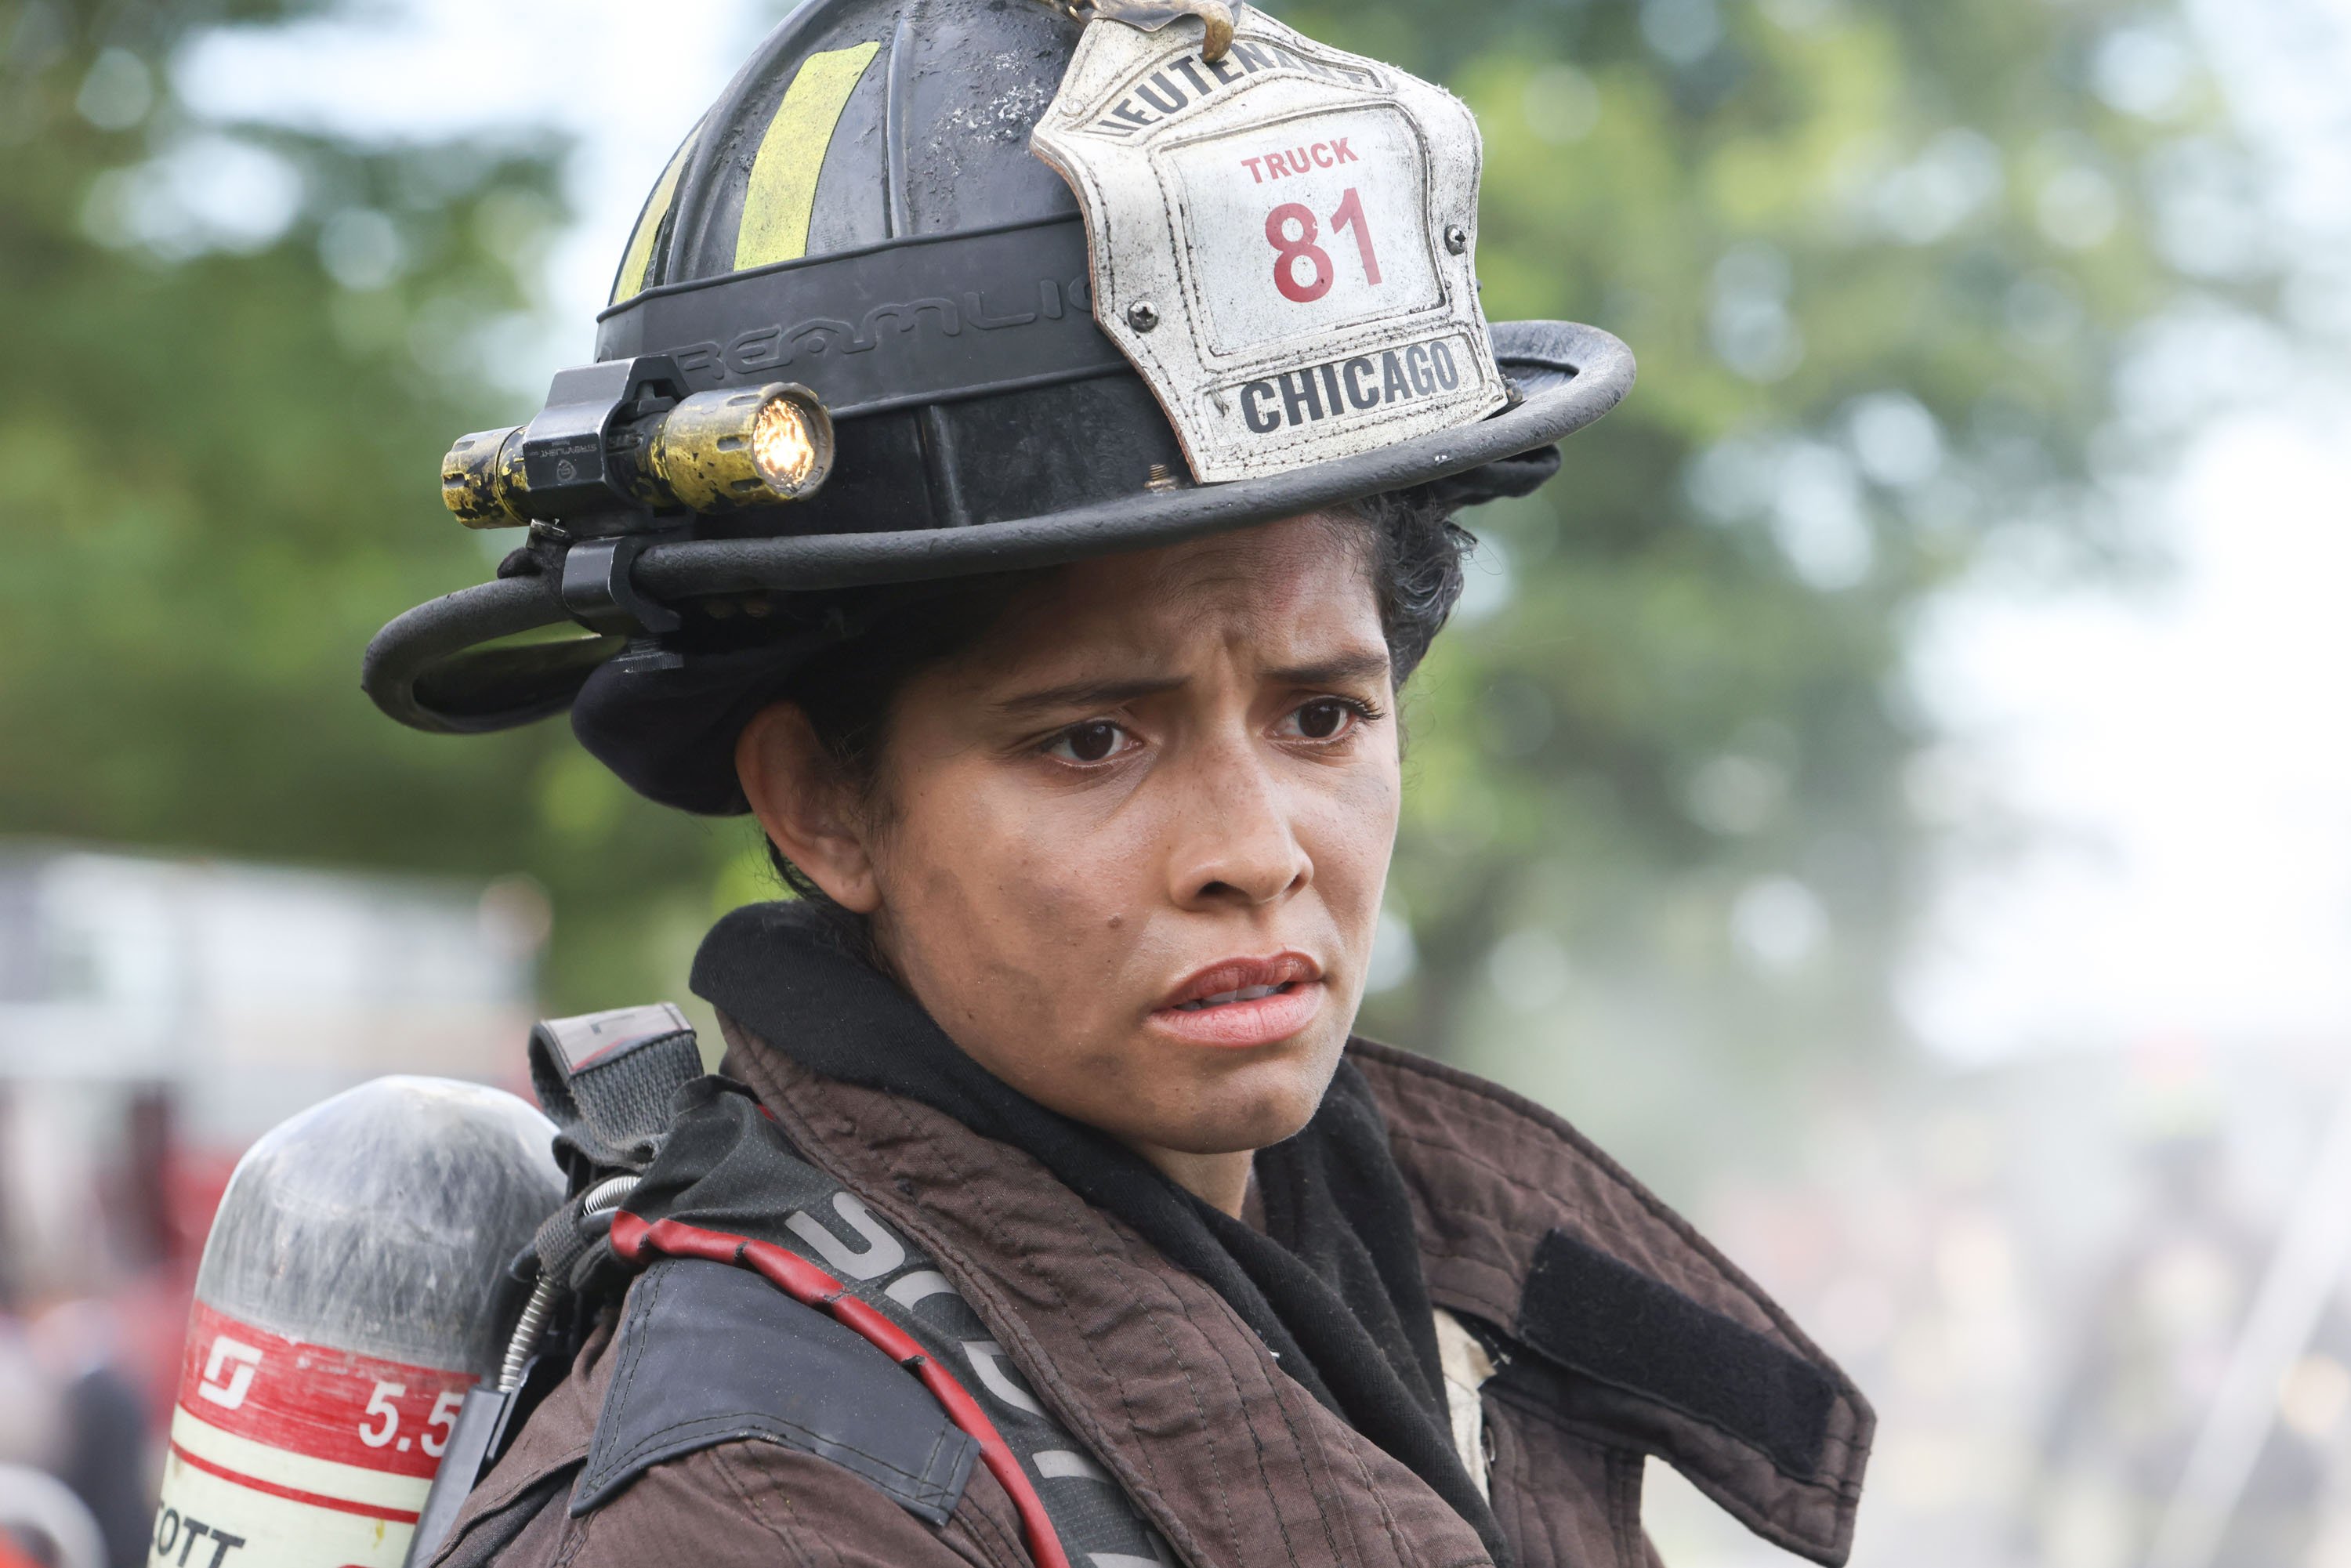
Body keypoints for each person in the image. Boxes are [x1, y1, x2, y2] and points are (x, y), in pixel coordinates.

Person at [373, 2, 1873, 1564]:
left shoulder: (1360, 1284)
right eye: (1093, 737)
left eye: (1322, 716)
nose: (1255, 851)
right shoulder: (755, 1511)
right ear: (823, 804)